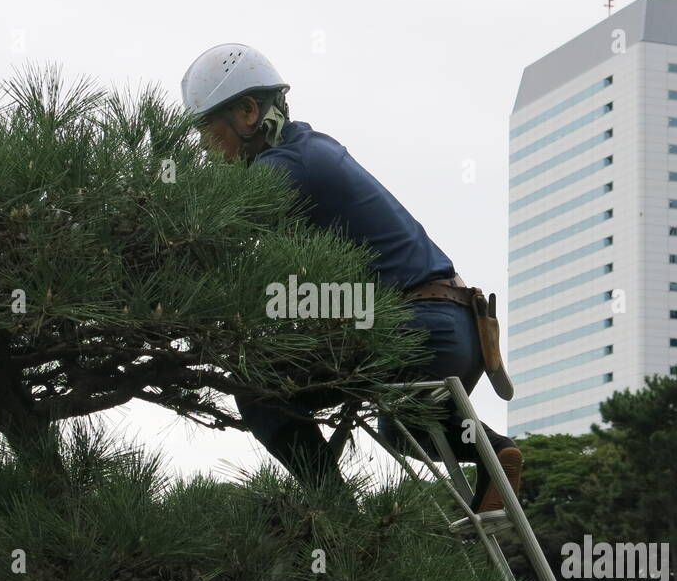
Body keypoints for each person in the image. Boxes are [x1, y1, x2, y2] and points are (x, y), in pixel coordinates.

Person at [181, 43, 521, 513]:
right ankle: (492, 453)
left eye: (206, 128)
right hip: (454, 329)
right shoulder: (310, 148)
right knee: (401, 428)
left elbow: (214, 249)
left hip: (414, 326)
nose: (202, 145)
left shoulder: (281, 167)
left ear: (247, 111)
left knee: (256, 386)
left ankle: (336, 513)